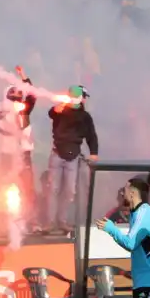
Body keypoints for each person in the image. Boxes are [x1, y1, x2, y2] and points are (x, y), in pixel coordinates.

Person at [45, 85, 99, 234]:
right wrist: (55, 110)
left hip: (72, 158)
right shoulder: (61, 111)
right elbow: (51, 113)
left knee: (69, 191)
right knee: (53, 189)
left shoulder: (85, 117)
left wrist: (94, 152)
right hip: (57, 154)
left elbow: (91, 136)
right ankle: (50, 223)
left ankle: (61, 221)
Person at [0, 65, 38, 218]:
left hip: (23, 153)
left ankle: (28, 218)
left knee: (27, 186)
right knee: (6, 185)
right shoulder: (1, 109)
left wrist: (23, 76)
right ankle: (5, 217)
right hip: (7, 153)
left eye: (19, 92)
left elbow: (32, 94)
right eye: (13, 92)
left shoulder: (24, 110)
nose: (17, 94)